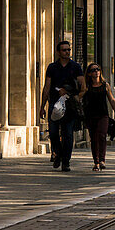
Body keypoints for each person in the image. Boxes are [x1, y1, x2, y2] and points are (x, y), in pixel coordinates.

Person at [39, 40, 85, 172]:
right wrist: (42, 106)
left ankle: (66, 161)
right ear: (58, 52)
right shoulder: (52, 67)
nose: (67, 52)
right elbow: (47, 87)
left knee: (68, 134)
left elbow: (83, 87)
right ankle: (58, 154)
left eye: (68, 50)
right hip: (54, 104)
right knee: (53, 133)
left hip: (69, 104)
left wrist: (74, 96)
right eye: (64, 50)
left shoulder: (75, 67)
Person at [82, 63, 115, 171]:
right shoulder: (87, 86)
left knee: (102, 135)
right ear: (89, 74)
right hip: (90, 115)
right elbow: (79, 97)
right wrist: (83, 92)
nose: (96, 71)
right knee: (94, 138)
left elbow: (112, 100)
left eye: (98, 69)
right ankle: (96, 162)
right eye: (93, 70)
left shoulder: (105, 85)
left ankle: (102, 160)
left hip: (103, 115)